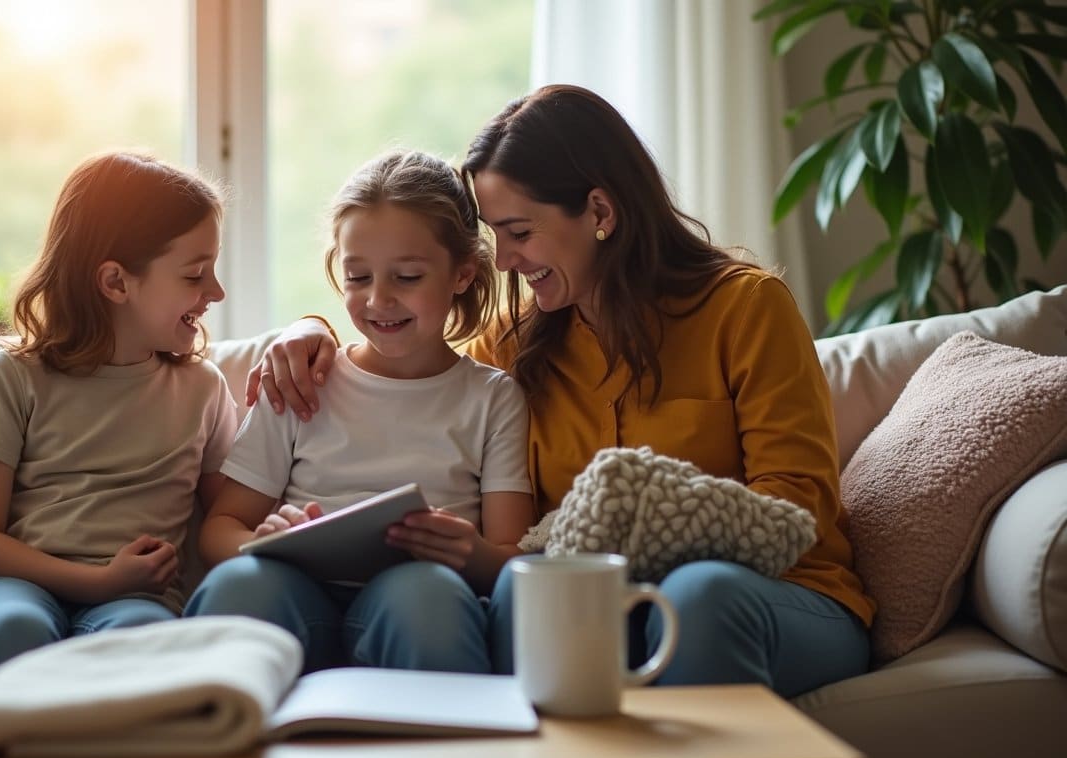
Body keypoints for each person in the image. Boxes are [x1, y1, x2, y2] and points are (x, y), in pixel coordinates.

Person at [245, 85, 874, 698]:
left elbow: (796, 506)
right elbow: (414, 358)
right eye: (495, 235)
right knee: (525, 587)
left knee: (698, 594)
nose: (504, 260)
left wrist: (635, 530)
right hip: (606, 604)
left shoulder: (746, 307)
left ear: (599, 213)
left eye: (519, 232)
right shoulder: (517, 341)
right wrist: (311, 330)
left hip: (778, 594)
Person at [185, 150, 536, 674]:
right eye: (358, 277)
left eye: (408, 277)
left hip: (420, 603)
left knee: (424, 595)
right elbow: (221, 527)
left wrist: (473, 553)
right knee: (240, 585)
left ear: (462, 274)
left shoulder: (492, 398)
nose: (379, 300)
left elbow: (512, 557)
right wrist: (261, 543)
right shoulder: (304, 378)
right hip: (299, 596)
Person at [0, 152, 236, 681]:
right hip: (16, 588)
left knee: (143, 639)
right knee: (12, 629)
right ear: (116, 282)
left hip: (137, 601)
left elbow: (229, 521)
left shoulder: (202, 389)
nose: (216, 292)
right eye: (196, 274)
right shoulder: (14, 376)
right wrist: (98, 581)